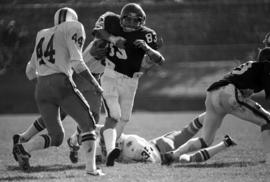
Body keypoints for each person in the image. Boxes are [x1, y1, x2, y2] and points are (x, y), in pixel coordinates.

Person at [12, 7, 104, 176]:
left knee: (56, 138)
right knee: (89, 123)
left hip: (42, 88)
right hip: (61, 83)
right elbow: (77, 62)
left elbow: (29, 71)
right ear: (73, 19)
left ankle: (24, 148)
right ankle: (91, 170)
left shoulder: (42, 33)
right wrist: (95, 84)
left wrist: (45, 81)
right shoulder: (74, 27)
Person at [92, 3, 165, 166]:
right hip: (110, 75)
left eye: (135, 21)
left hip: (132, 80)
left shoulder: (147, 35)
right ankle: (110, 151)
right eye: (128, 20)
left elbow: (160, 60)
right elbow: (97, 31)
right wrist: (112, 39)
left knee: (124, 118)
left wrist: (147, 49)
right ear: (121, 18)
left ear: (142, 21)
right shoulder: (111, 20)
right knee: (115, 115)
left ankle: (100, 143)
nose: (132, 24)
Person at [161, 60, 270, 165]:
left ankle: (174, 155)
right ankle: (269, 160)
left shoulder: (252, 67)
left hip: (213, 93)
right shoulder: (266, 66)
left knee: (205, 141)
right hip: (229, 94)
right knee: (266, 120)